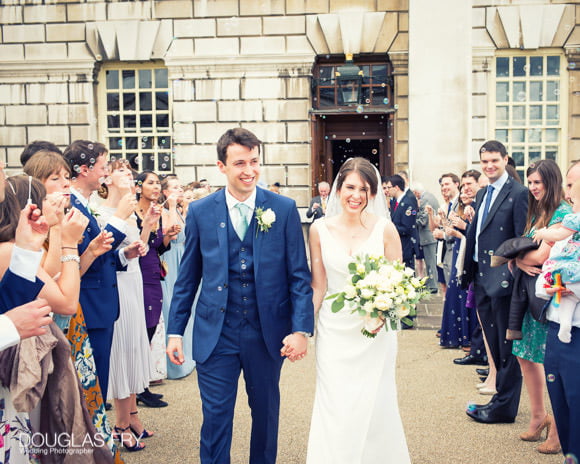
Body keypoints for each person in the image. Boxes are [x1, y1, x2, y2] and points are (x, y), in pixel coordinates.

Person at [166, 127, 314, 464]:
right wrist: (176, 331)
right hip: (215, 335)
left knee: (265, 416)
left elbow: (298, 277)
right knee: (216, 419)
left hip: (267, 334)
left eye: (254, 161)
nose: (249, 170)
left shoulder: (284, 208)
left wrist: (301, 329)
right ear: (222, 167)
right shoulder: (202, 212)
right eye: (239, 163)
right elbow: (187, 278)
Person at [307, 157, 410, 463]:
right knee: (335, 401)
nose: (356, 195)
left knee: (375, 402)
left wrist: (383, 311)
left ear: (373, 194)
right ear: (338, 189)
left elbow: (400, 283)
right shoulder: (318, 230)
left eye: (364, 189)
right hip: (333, 330)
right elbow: (319, 286)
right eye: (350, 187)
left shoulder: (385, 229)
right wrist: (302, 327)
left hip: (374, 330)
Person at [64, 139, 141, 400]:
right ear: (84, 169)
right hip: (88, 305)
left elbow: (100, 255)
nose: (106, 171)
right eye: (102, 165)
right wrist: (119, 217)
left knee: (99, 380)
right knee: (90, 385)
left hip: (102, 304)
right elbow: (84, 255)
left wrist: (123, 255)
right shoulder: (72, 206)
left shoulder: (85, 203)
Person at [463, 140, 529, 424]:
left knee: (506, 347)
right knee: (493, 343)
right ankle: (498, 400)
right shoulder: (482, 194)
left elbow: (520, 238)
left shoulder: (519, 193)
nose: (489, 166)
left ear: (505, 160)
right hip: (480, 276)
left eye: (494, 161)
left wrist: (510, 274)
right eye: (485, 162)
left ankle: (503, 407)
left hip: (503, 280)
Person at [507, 160, 569, 453]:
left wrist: (517, 257)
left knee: (551, 362)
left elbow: (539, 255)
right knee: (524, 356)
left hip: (551, 297)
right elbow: (523, 252)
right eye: (530, 182)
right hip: (528, 293)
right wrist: (518, 257)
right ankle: (536, 417)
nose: (532, 188)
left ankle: (557, 431)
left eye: (537, 183)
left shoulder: (563, 213)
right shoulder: (538, 211)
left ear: (552, 182)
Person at [98, 159, 152, 451]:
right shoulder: (102, 211)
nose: (129, 175)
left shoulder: (130, 212)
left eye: (130, 172)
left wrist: (148, 230)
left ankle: (132, 414)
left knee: (133, 346)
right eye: (121, 171)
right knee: (120, 349)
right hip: (115, 286)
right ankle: (119, 424)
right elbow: (106, 254)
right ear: (106, 180)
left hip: (134, 281)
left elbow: (136, 251)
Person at [540, 160, 580, 462]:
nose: (567, 192)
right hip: (557, 328)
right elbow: (545, 278)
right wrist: (556, 287)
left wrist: (575, 288)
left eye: (571, 184)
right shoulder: (566, 233)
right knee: (562, 402)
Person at [160, 175, 197, 380]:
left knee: (188, 308)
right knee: (172, 305)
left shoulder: (183, 211)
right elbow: (172, 235)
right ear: (165, 192)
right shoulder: (166, 212)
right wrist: (173, 207)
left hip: (182, 258)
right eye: (175, 187)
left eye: (180, 186)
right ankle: (173, 364)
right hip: (170, 260)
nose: (180, 190)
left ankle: (188, 355)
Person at [384, 174, 418, 270]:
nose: (387, 190)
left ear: (396, 187)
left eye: (389, 187)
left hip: (406, 246)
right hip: (397, 245)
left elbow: (407, 228)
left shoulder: (407, 203)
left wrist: (389, 227)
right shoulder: (395, 201)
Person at [413, 182, 439, 293]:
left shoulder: (425, 199)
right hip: (430, 234)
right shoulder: (430, 196)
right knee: (430, 261)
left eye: (415, 194)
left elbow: (423, 220)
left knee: (430, 262)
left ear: (417, 192)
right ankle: (432, 282)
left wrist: (411, 221)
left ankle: (433, 286)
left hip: (428, 235)